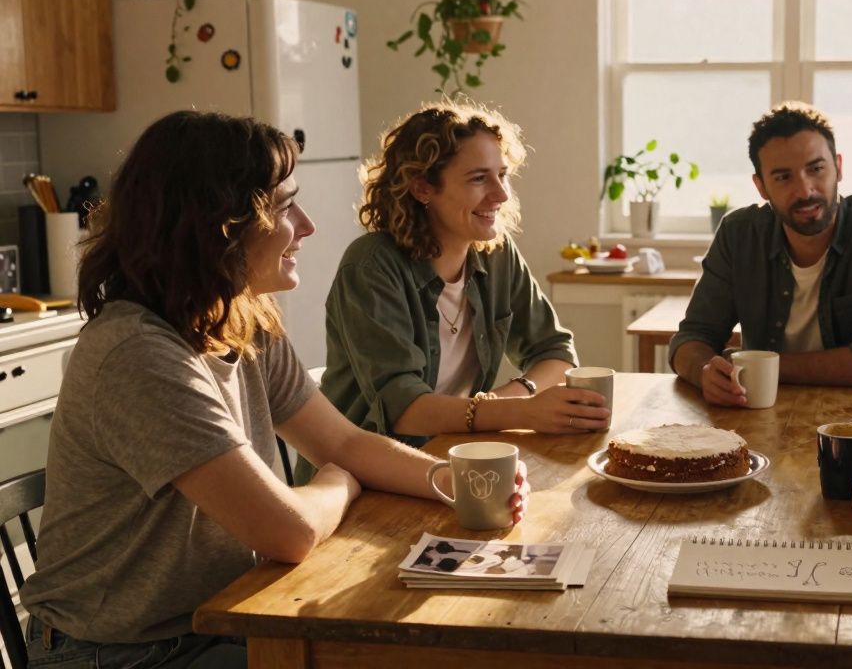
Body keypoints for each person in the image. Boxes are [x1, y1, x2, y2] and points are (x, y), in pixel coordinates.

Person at [18, 111, 527, 669]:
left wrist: (449, 480)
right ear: (219, 224)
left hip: (228, 615)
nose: (307, 226)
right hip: (124, 653)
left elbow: (346, 443)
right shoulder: (140, 356)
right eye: (285, 207)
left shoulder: (242, 318)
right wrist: (337, 481)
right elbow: (291, 531)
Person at [311, 102, 608, 466]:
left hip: (452, 456)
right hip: (362, 475)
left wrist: (509, 399)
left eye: (503, 175)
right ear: (422, 188)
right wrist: (520, 412)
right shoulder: (371, 266)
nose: (501, 195)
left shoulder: (495, 254)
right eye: (479, 178)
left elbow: (556, 353)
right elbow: (403, 409)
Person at [670, 102, 852, 406]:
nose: (805, 191)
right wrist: (705, 371)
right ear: (760, 186)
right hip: (758, 411)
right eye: (783, 177)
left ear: (838, 167)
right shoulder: (739, 234)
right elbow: (691, 338)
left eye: (816, 169)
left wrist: (755, 367)